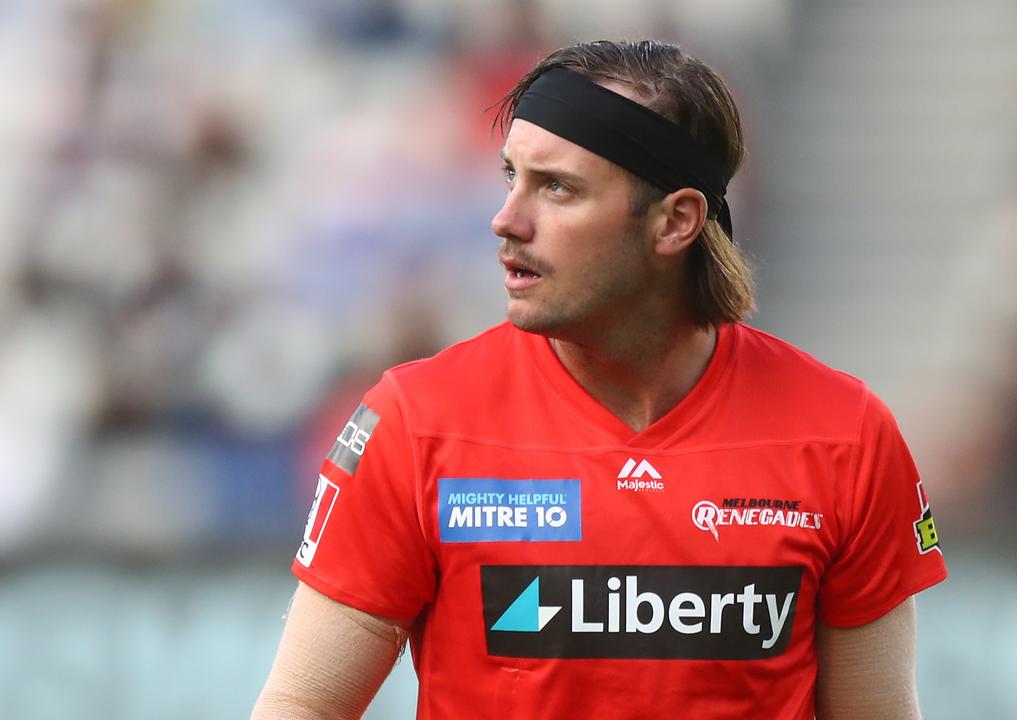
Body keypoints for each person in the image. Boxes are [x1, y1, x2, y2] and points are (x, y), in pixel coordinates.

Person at [252, 39, 947, 720]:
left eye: (557, 188)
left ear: (676, 222)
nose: (506, 220)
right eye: (511, 178)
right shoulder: (415, 422)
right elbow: (300, 706)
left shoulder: (845, 437)